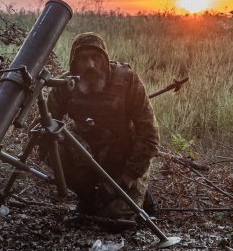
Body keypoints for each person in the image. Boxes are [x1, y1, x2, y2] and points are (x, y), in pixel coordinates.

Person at [47, 32, 160, 220]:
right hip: (88, 157)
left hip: (125, 160)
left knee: (116, 217)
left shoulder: (127, 80)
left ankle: (136, 192)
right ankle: (88, 194)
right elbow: (45, 124)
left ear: (105, 60)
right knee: (52, 145)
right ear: (74, 64)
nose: (90, 65)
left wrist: (127, 179)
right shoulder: (65, 85)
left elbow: (149, 134)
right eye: (83, 59)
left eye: (96, 58)